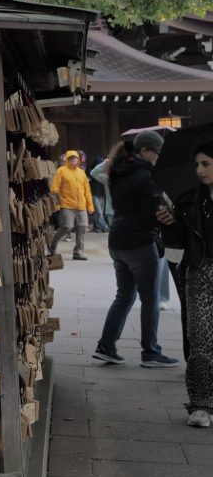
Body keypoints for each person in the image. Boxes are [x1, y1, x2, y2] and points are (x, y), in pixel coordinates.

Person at [93, 132, 179, 369]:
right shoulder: (145, 176)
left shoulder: (118, 172)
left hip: (118, 240)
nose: (159, 157)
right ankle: (150, 352)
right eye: (158, 153)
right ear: (145, 151)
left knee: (124, 295)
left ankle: (106, 346)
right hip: (140, 242)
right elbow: (154, 210)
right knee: (150, 299)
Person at [158, 141, 213, 427]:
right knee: (200, 339)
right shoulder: (188, 200)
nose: (200, 170)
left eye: (206, 164)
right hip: (199, 272)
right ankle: (201, 405)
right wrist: (169, 223)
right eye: (197, 164)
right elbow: (177, 241)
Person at [50, 149, 94, 260]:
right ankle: (52, 245)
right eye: (71, 158)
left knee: (83, 227)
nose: (73, 160)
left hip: (81, 206)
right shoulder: (61, 171)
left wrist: (90, 205)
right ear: (67, 159)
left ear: (78, 160)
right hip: (66, 205)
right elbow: (54, 188)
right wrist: (56, 204)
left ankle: (78, 252)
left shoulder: (81, 173)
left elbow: (87, 191)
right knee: (66, 227)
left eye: (75, 158)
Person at [89, 156, 112, 234]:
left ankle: (98, 227)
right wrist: (104, 163)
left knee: (100, 212)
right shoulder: (93, 171)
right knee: (98, 211)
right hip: (94, 193)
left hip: (102, 194)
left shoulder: (106, 174)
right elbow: (93, 173)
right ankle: (103, 226)